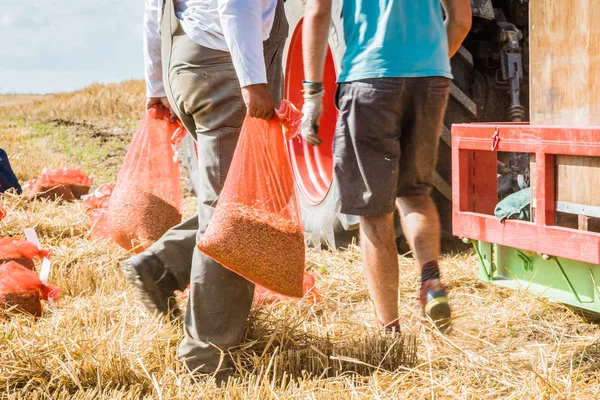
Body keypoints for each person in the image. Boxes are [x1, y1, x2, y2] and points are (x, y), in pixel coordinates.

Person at [121, 0, 288, 379]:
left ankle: (162, 266)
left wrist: (158, 84)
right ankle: (207, 356)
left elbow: (154, 8)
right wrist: (253, 83)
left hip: (185, 61)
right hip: (225, 68)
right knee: (236, 217)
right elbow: (236, 4)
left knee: (230, 203)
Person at [301, 0, 472, 331]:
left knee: (374, 211)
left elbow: (318, 12)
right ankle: (430, 279)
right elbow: (462, 20)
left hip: (370, 78)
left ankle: (389, 332)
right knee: (415, 191)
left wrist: (312, 97)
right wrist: (430, 62)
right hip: (431, 78)